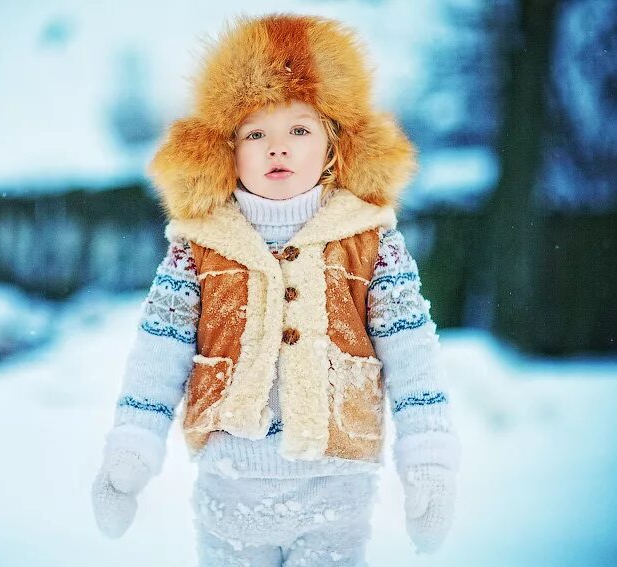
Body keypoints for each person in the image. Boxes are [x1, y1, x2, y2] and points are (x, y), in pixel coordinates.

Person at [91, 13, 461, 566]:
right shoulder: (196, 249)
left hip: (337, 492)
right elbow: (158, 351)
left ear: (334, 144)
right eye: (255, 133)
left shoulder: (373, 244)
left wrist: (428, 458)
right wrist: (131, 447)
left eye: (299, 130)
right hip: (230, 491)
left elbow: (411, 353)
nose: (277, 149)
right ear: (226, 149)